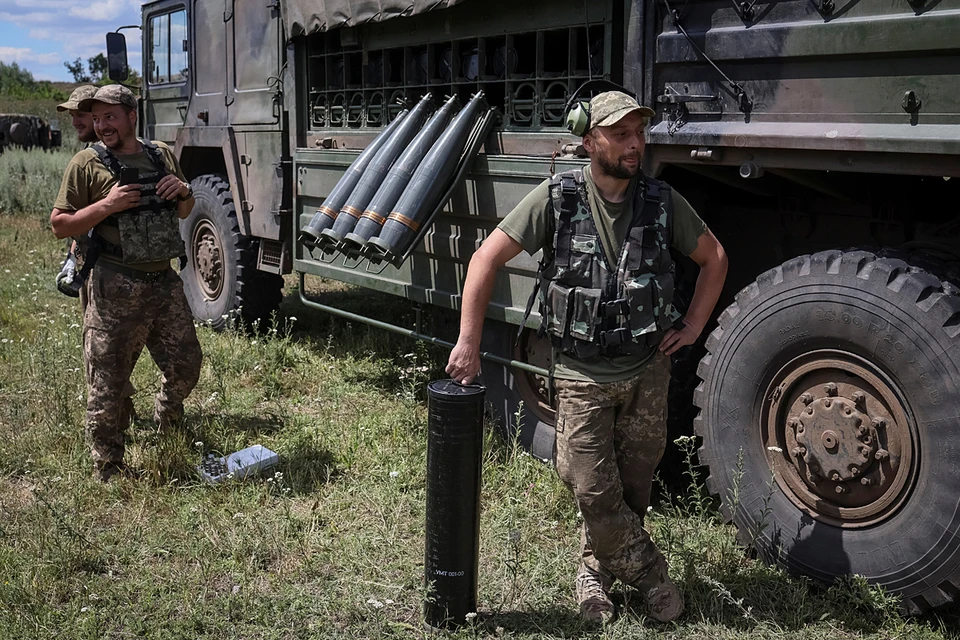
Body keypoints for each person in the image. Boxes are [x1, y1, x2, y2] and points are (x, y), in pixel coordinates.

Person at [446, 91, 728, 624]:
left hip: (647, 371)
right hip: (580, 374)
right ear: (589, 138)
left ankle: (593, 574)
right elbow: (485, 258)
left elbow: (714, 258)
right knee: (594, 489)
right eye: (621, 134)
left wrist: (691, 326)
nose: (634, 144)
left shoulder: (662, 201)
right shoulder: (557, 198)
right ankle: (652, 575)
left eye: (639, 133)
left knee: (632, 489)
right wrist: (468, 341)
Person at [49, 84, 203, 482]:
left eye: (109, 117)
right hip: (115, 283)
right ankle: (109, 466)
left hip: (163, 282)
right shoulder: (86, 163)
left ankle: (168, 421)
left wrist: (183, 191)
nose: (101, 126)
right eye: (96, 119)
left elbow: (185, 210)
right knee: (108, 384)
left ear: (131, 115)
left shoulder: (161, 154)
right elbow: (59, 224)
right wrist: (107, 206)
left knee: (186, 366)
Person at [54, 84, 99, 298]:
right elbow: (85, 213)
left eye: (80, 114)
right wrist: (73, 256)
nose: (74, 122)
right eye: (72, 115)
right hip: (89, 260)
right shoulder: (89, 152)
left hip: (109, 265)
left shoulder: (109, 156)